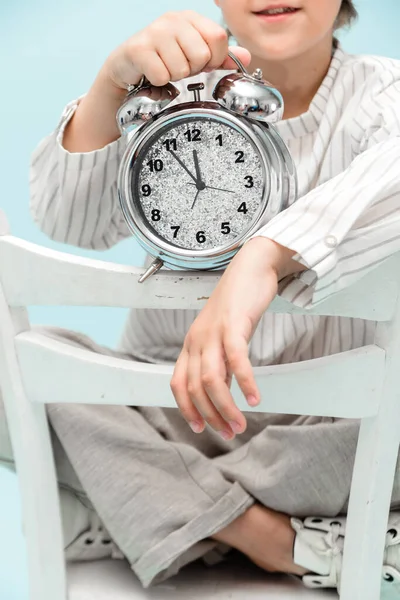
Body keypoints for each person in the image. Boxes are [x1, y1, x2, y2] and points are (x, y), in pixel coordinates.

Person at [23, 0, 400, 592]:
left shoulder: (385, 95)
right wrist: (109, 86)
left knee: (387, 429)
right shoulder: (169, 92)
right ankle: (270, 537)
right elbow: (71, 221)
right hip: (174, 410)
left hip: (321, 432)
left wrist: (261, 258)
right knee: (20, 367)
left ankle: (135, 503)